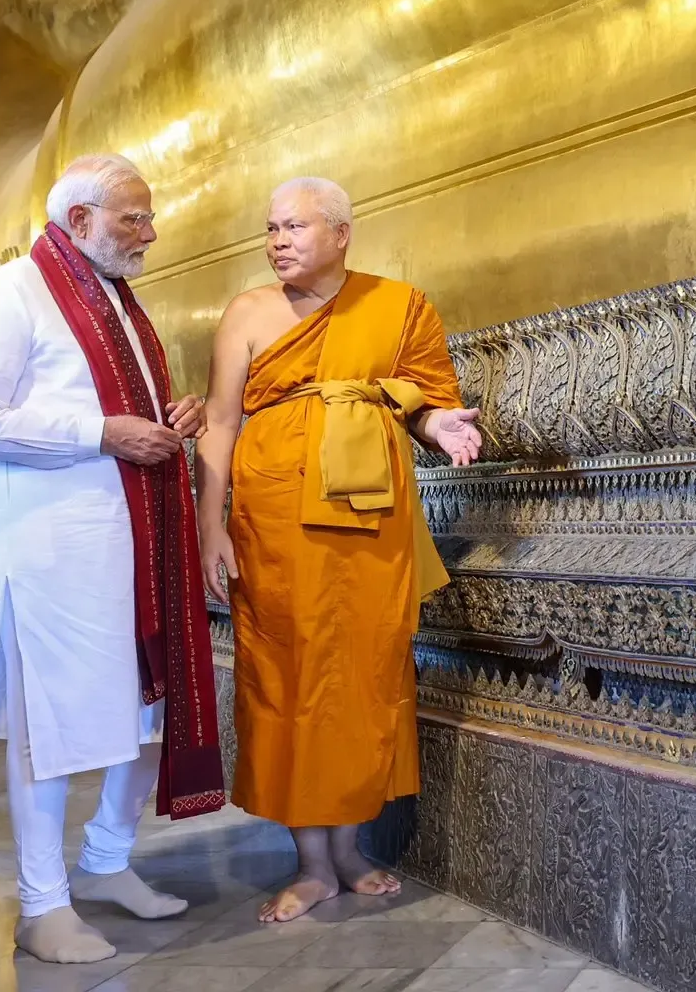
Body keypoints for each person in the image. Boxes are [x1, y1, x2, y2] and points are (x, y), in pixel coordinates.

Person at [0, 153, 225, 964]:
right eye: (133, 218)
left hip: (137, 549)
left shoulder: (118, 301)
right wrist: (98, 433)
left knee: (145, 713)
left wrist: (179, 413)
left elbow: (125, 409)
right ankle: (42, 904)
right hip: (51, 558)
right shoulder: (13, 293)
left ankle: (105, 862)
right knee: (52, 729)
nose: (151, 231)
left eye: (147, 215)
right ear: (78, 222)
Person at [195, 177, 482, 922]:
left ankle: (350, 850)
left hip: (366, 524)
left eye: (294, 226)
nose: (277, 241)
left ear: (341, 232)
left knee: (362, 673)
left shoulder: (399, 305)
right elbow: (220, 423)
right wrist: (209, 523)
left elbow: (425, 397)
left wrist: (439, 427)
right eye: (270, 228)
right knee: (287, 677)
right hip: (275, 521)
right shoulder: (249, 313)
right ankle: (310, 863)